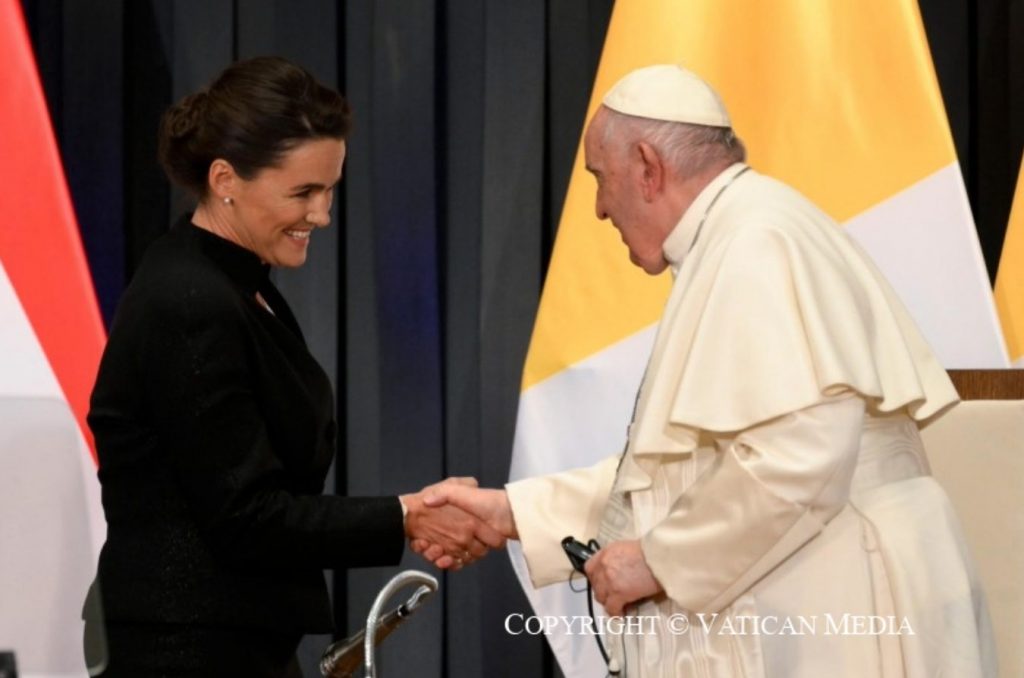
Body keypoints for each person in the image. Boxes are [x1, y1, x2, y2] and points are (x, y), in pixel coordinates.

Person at [419, 65, 996, 676]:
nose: (599, 208)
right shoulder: (740, 233)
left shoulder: (757, 241)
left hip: (848, 609)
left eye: (600, 177)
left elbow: (798, 456)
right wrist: (512, 514)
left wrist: (658, 561)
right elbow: (685, 471)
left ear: (648, 166)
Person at [82, 56, 502, 677]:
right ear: (225, 178)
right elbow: (245, 517)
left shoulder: (230, 283)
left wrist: (407, 514)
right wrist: (407, 515)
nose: (322, 215)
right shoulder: (192, 301)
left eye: (329, 190)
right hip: (185, 650)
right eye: (303, 192)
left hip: (230, 638)